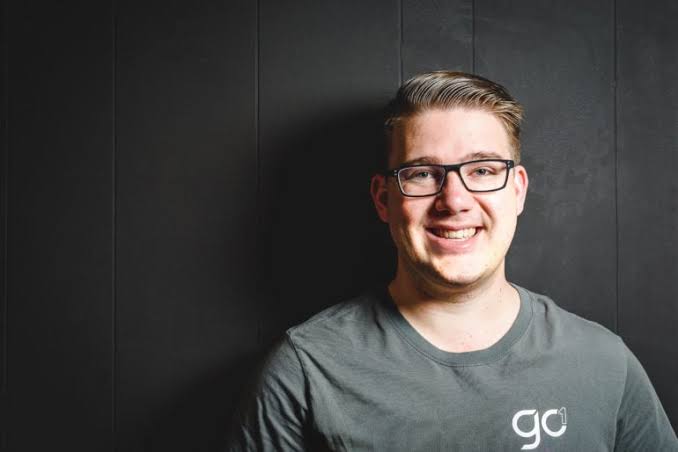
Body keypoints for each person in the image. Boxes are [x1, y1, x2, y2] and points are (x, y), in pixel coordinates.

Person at [229, 72, 678, 451]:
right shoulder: (307, 370)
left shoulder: (603, 363)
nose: (454, 201)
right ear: (384, 199)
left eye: (483, 170)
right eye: (423, 173)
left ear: (517, 190)